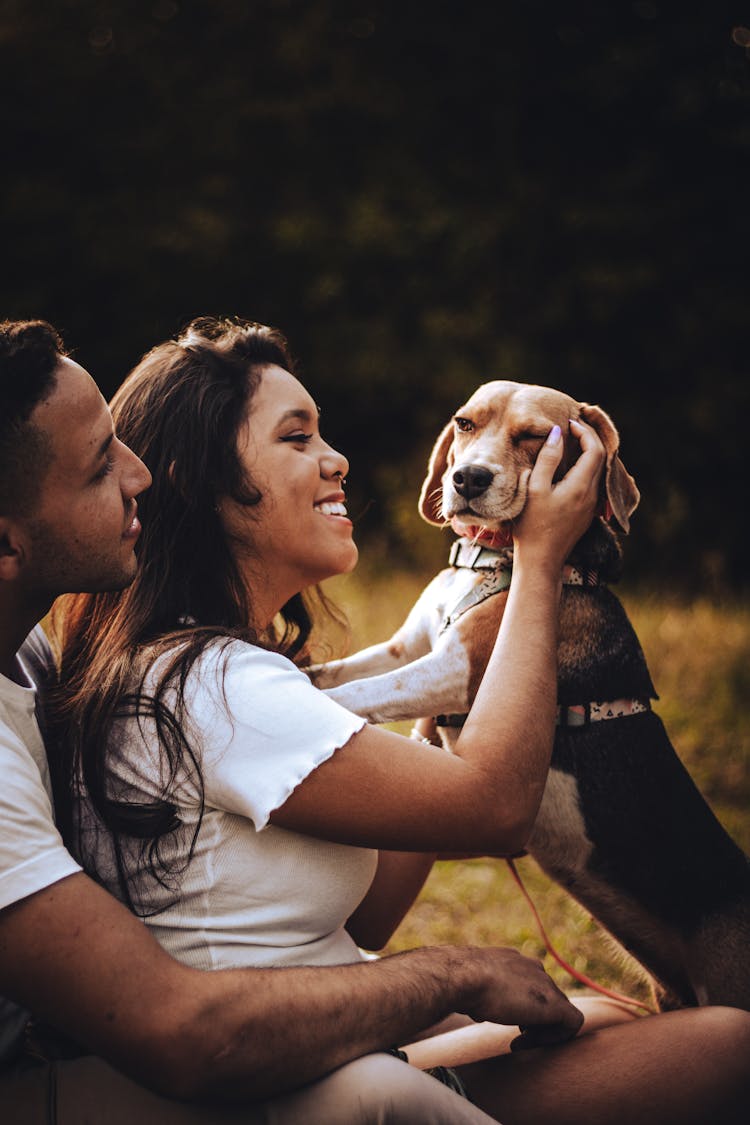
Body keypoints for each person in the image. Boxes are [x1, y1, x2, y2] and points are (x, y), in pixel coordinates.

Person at [50, 316, 749, 1124]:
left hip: (321, 1045)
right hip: (293, 1079)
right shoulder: (223, 687)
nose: (337, 458)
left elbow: (371, 912)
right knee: (730, 1043)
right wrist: (541, 564)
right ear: (201, 483)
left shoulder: (209, 668)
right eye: (297, 437)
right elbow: (494, 807)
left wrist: (436, 715)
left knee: (609, 1019)